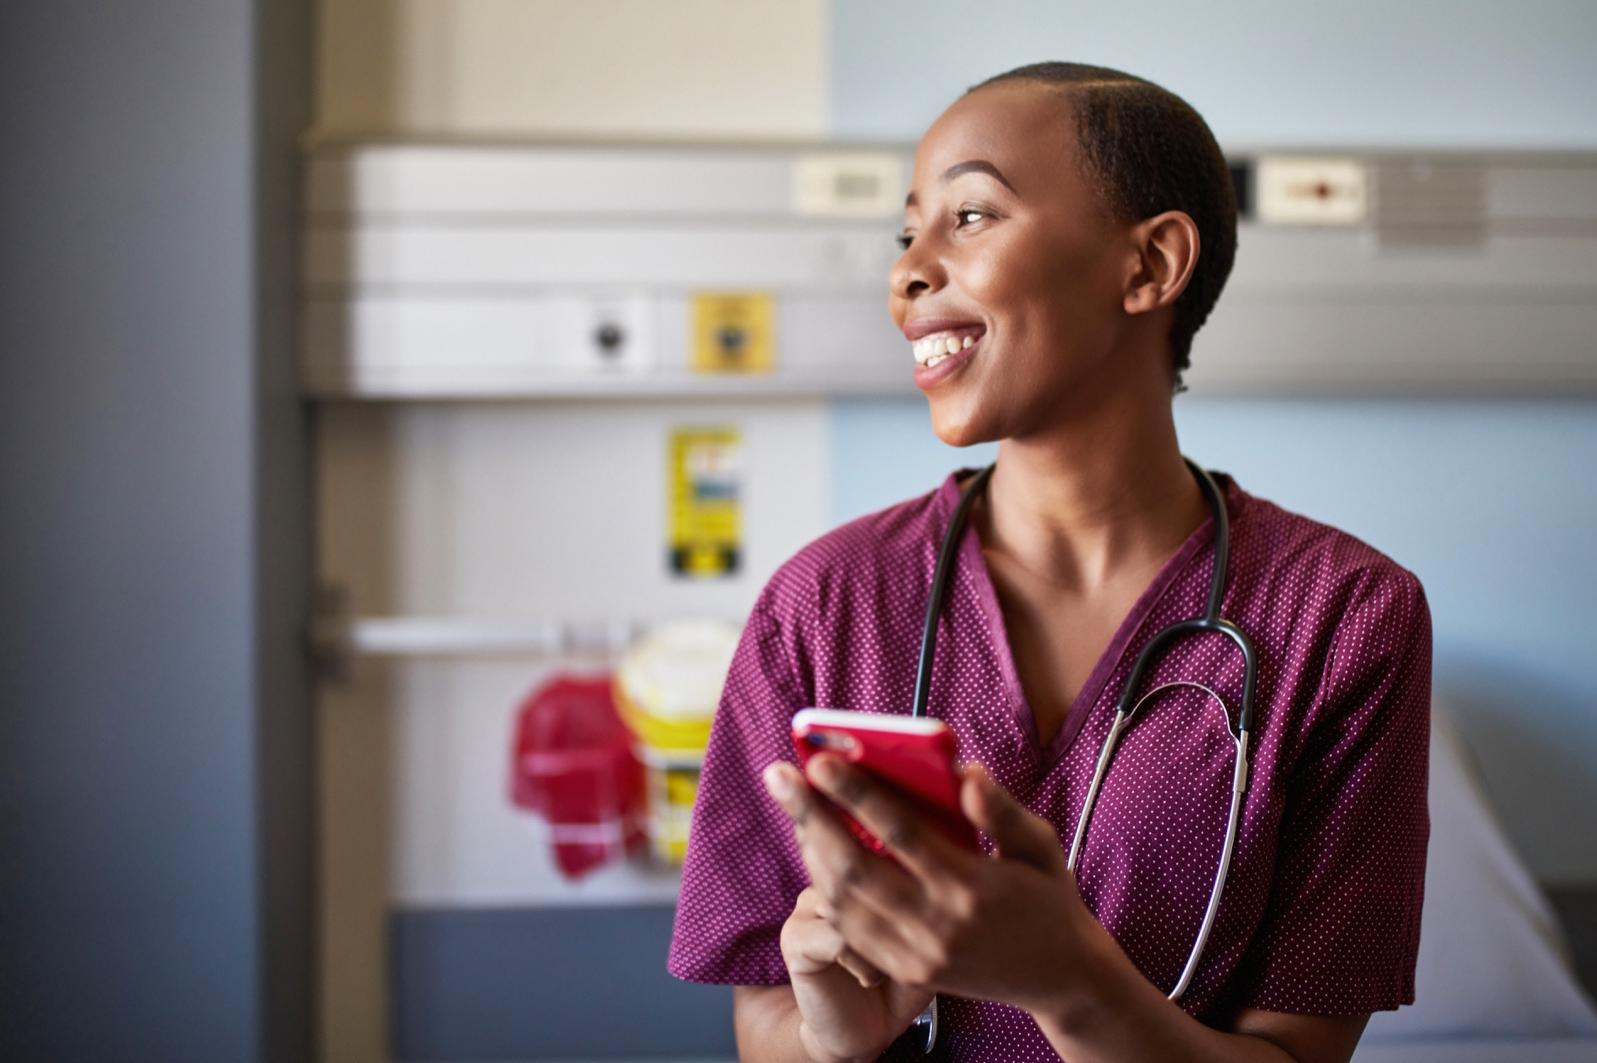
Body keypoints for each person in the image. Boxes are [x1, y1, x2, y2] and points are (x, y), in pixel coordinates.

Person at [667, 61, 1431, 1063]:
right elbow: (763, 1017)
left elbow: (1298, 1050)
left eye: (970, 215)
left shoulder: (1342, 619)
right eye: (907, 234)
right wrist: (830, 1042)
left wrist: (1068, 983)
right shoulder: (825, 604)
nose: (906, 270)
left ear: (1150, 265)